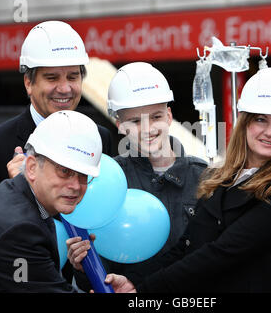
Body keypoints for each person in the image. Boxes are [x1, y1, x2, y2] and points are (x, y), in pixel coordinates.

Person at [71, 67, 271, 293]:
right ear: (245, 123)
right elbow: (187, 246)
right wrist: (133, 281)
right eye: (260, 120)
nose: (270, 131)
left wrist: (144, 289)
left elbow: (222, 253)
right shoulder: (221, 180)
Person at [69, 62, 207, 288]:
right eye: (134, 121)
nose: (148, 128)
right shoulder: (105, 180)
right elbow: (99, 279)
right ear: (120, 125)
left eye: (156, 117)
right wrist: (83, 266)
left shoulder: (204, 178)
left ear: (169, 116)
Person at [0, 20, 113, 217]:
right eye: (52, 78)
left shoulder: (100, 137)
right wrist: (13, 191)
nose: (65, 88)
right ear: (28, 83)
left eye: (73, 77)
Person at [0, 110, 102, 292]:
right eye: (64, 171)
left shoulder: (20, 199)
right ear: (32, 167)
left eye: (83, 175)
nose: (75, 185)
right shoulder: (18, 229)